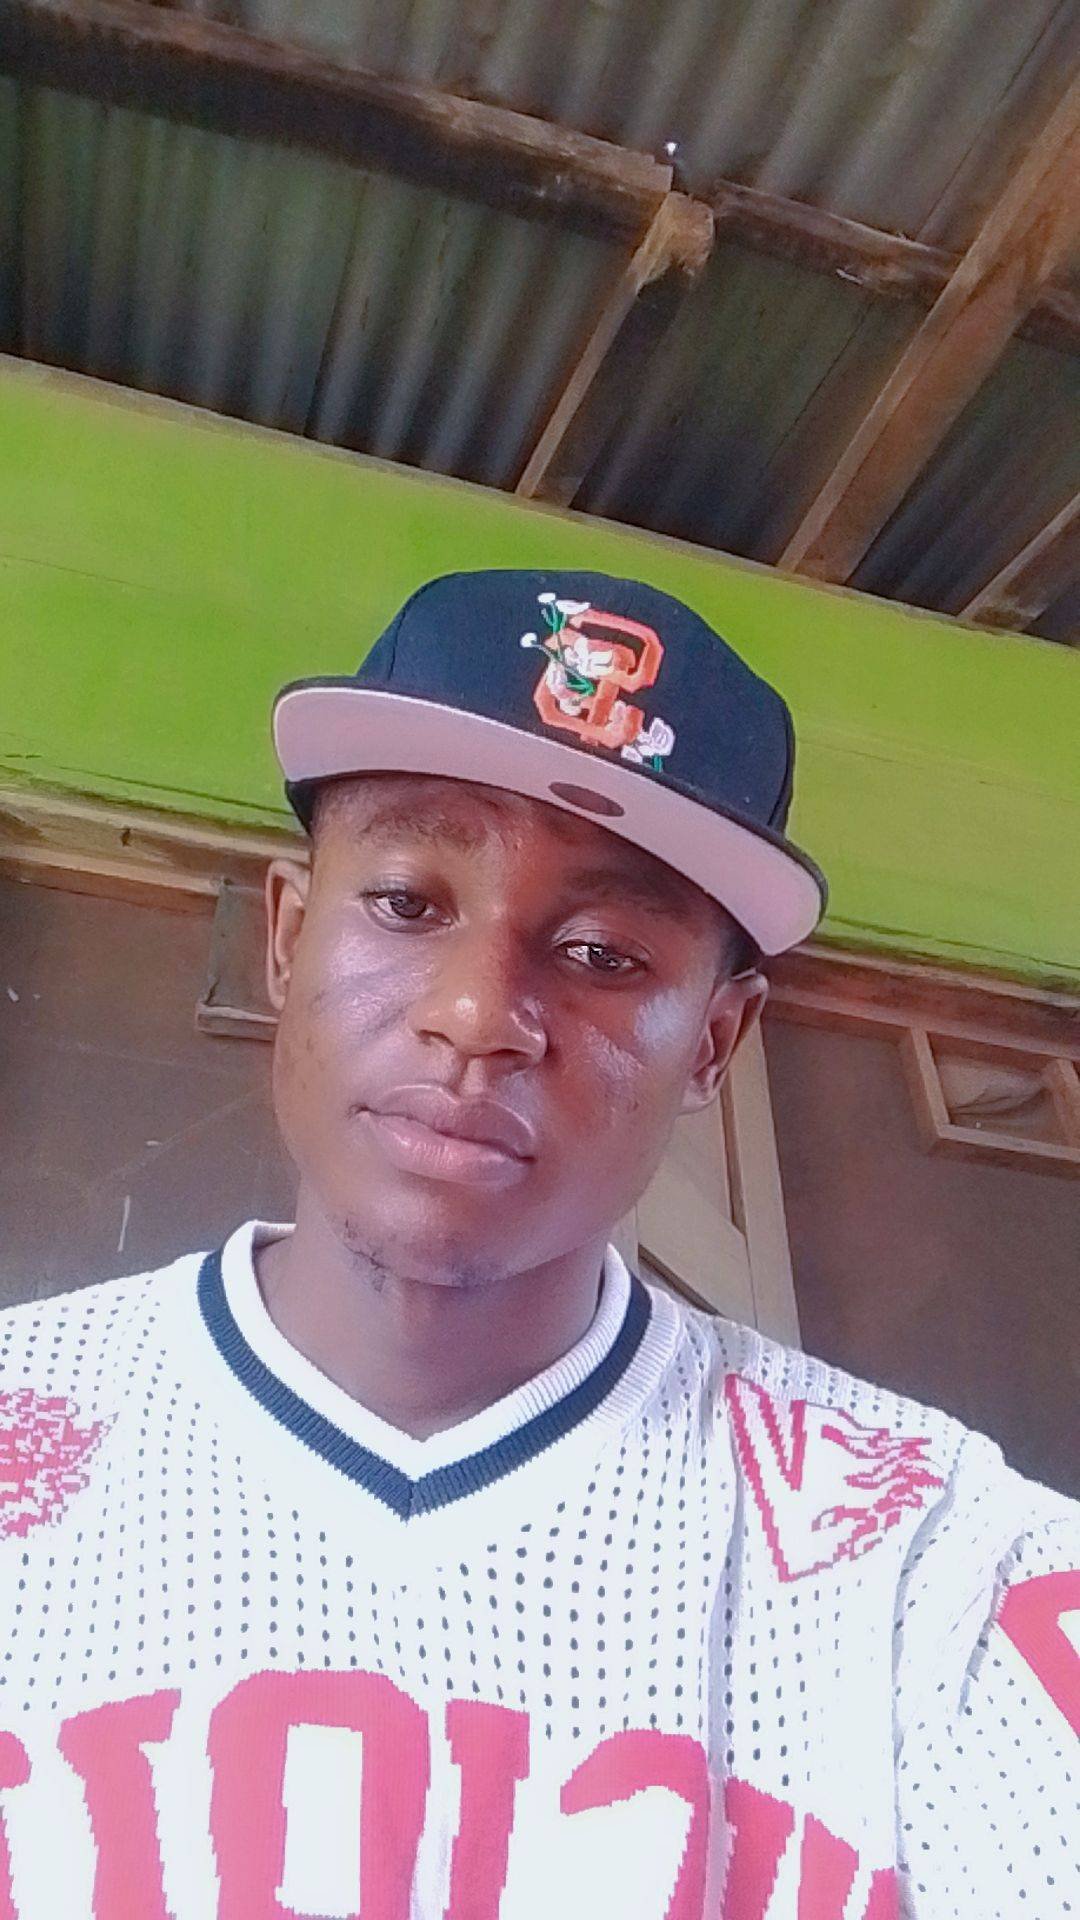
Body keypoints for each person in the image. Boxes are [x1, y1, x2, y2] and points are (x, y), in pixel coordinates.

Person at [0, 568, 1075, 1919]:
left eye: (604, 953)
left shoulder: (933, 1569)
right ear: (287, 936)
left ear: (716, 1043)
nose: (476, 1014)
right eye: (407, 903)